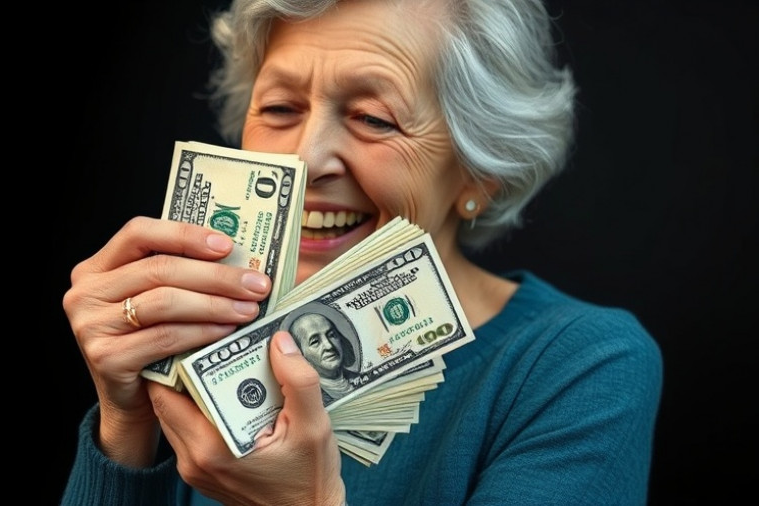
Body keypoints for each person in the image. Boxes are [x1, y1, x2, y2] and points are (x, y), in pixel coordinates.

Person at [61, 0, 663, 504]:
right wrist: (126, 426)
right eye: (280, 108)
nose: (305, 159)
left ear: (482, 173)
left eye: (374, 119)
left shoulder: (584, 367)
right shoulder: (189, 338)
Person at [280, 302, 363, 405]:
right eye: (315, 342)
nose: (329, 346)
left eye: (331, 335)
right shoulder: (309, 400)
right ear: (301, 354)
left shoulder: (362, 378)